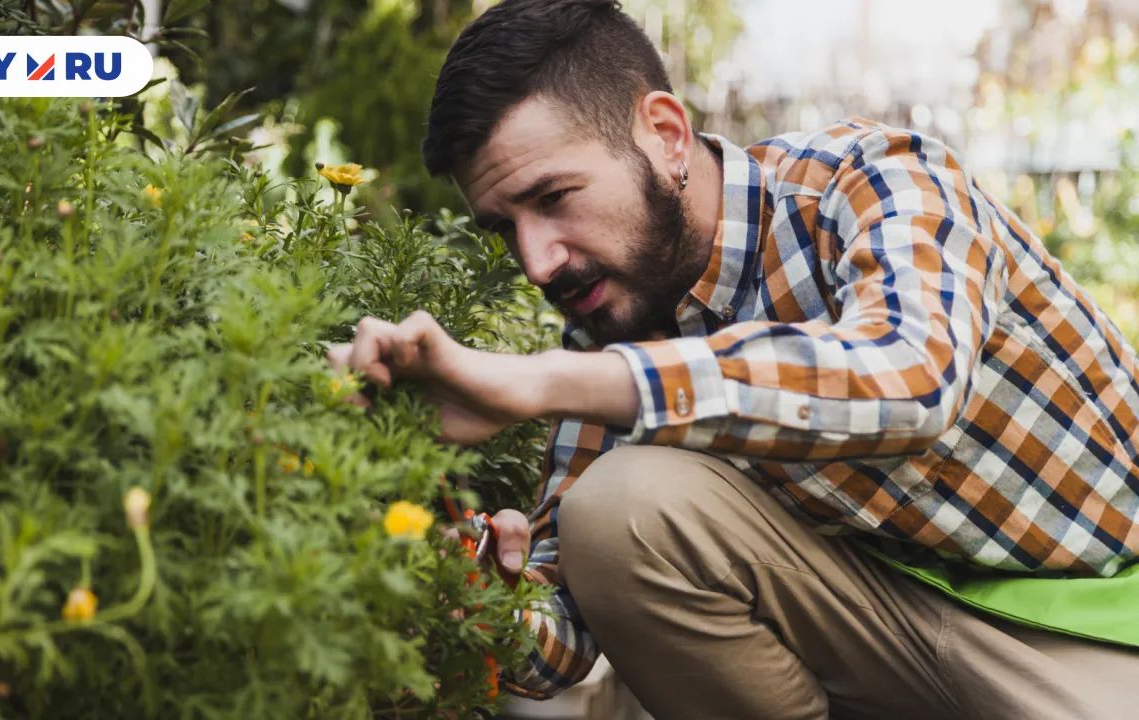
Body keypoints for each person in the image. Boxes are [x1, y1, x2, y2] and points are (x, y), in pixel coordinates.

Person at [325, 0, 1139, 717]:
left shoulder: (872, 182)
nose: (537, 261)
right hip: (881, 636)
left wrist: (538, 381)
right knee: (613, 510)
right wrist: (446, 558)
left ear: (666, 133)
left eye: (553, 199)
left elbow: (910, 375)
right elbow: (559, 647)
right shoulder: (612, 333)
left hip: (1088, 623)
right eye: (506, 227)